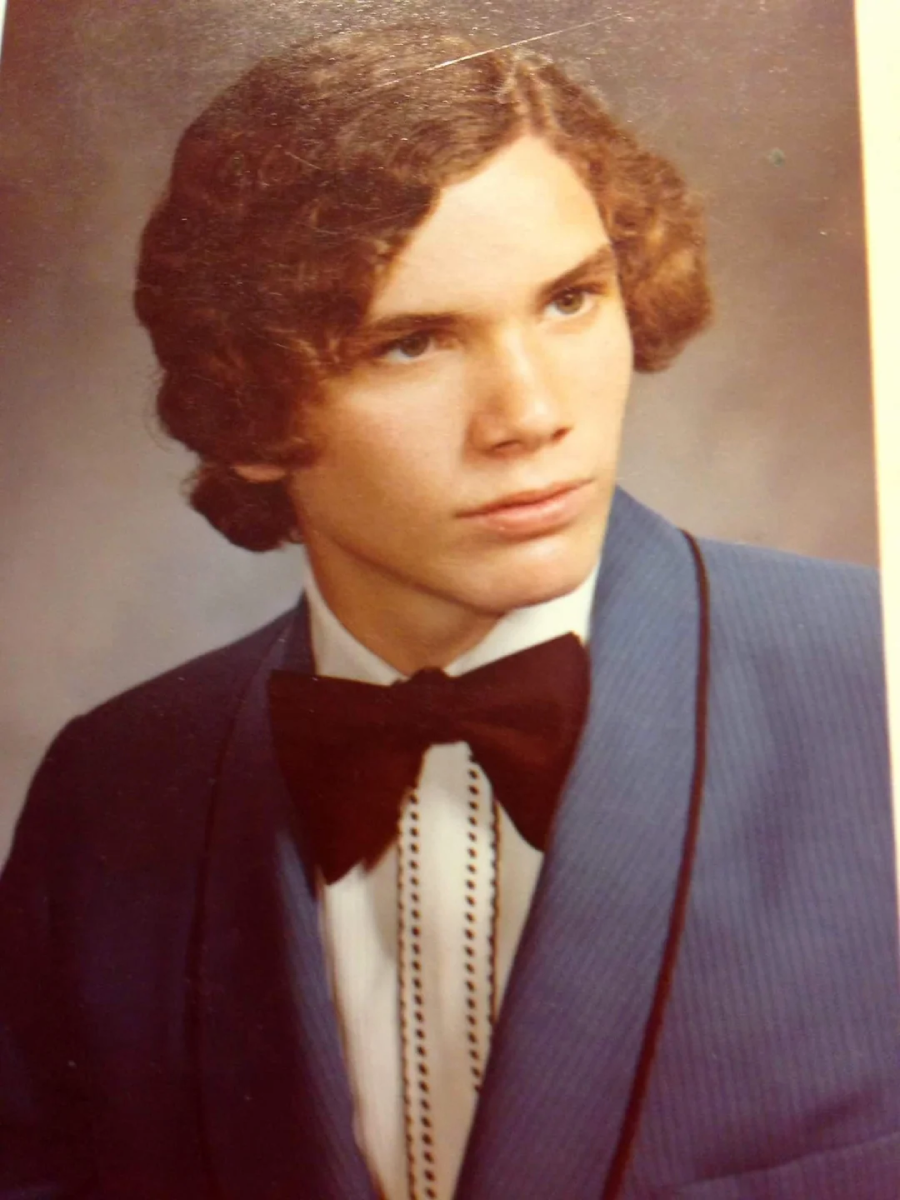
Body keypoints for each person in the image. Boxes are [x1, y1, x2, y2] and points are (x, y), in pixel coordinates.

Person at [1, 24, 898, 1200]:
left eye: (572, 299)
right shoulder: (107, 788)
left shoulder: (872, 683)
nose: (531, 413)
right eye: (413, 343)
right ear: (249, 405)